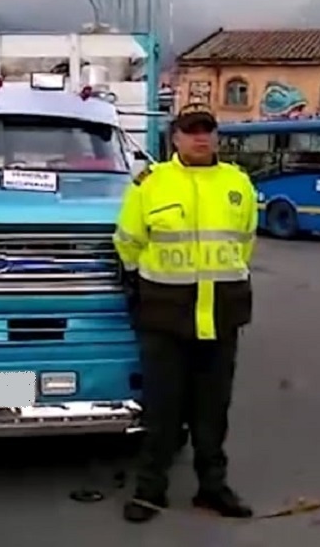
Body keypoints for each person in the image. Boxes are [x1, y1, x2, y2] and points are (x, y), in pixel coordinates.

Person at [113, 103, 257, 523]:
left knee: (213, 413)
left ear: (216, 137)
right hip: (166, 316)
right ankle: (149, 491)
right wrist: (147, 285)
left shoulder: (238, 184)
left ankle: (212, 488)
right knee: (162, 411)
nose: (200, 137)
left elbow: (245, 242)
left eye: (206, 130)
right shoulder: (149, 183)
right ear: (174, 137)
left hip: (222, 315)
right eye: (190, 130)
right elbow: (128, 242)